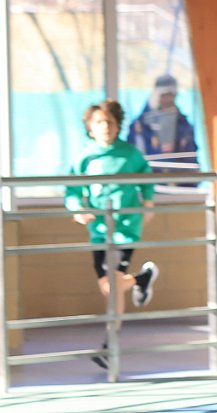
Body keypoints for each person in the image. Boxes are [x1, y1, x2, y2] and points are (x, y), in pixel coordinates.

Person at [65, 99, 159, 369]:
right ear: (90, 127)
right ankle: (142, 278)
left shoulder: (130, 154)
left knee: (113, 286)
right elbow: (72, 190)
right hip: (99, 231)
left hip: (125, 230)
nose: (105, 126)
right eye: (99, 122)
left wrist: (148, 203)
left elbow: (146, 177)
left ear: (118, 126)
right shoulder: (84, 157)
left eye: (110, 122)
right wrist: (78, 209)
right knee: (109, 287)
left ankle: (110, 346)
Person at [127, 74, 199, 174]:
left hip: (179, 179)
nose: (168, 99)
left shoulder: (184, 125)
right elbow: (135, 158)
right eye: (164, 95)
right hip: (149, 179)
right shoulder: (140, 126)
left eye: (171, 95)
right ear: (156, 95)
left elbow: (191, 157)